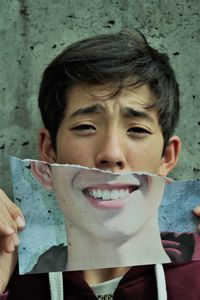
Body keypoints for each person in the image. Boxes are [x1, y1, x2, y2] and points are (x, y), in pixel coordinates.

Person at [0, 29, 200, 299]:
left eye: (137, 130)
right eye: (86, 126)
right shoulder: (10, 277)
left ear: (167, 157)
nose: (111, 153)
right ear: (49, 151)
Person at [31, 162, 170, 272]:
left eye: (137, 130)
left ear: (167, 160)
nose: (112, 155)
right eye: (84, 128)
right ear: (44, 170)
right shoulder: (19, 290)